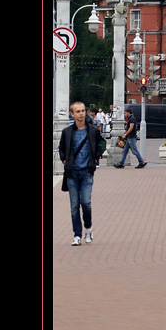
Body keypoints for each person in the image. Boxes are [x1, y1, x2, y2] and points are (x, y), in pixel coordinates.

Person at [59, 101, 105, 246]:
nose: (81, 114)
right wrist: (64, 160)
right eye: (77, 111)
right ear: (72, 114)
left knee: (85, 202)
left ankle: (88, 228)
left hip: (86, 172)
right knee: (74, 206)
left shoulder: (93, 131)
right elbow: (61, 148)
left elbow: (100, 145)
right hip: (72, 173)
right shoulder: (67, 132)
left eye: (83, 111)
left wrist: (95, 160)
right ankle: (77, 235)